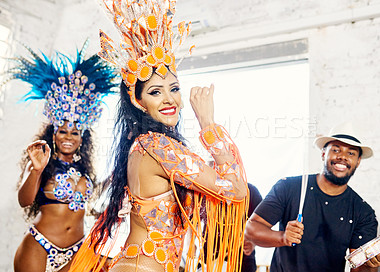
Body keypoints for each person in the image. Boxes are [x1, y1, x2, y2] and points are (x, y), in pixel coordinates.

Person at [69, 1, 249, 272]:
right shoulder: (157, 146)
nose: (169, 99)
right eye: (155, 91)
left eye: (174, 88)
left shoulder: (143, 145)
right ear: (138, 100)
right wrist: (209, 126)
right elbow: (235, 189)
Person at [10, 42, 117, 272]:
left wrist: (113, 176)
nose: (68, 137)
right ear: (54, 134)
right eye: (63, 131)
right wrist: (36, 170)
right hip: (40, 247)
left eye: (75, 133)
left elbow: (89, 200)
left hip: (77, 249)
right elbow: (24, 200)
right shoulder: (41, 162)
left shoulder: (83, 171)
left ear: (82, 138)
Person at [244, 122, 380, 272]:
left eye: (351, 153)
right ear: (323, 153)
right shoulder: (289, 187)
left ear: (358, 161)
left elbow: (359, 267)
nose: (342, 157)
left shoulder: (363, 212)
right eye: (336, 150)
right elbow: (251, 229)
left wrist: (370, 264)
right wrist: (283, 237)